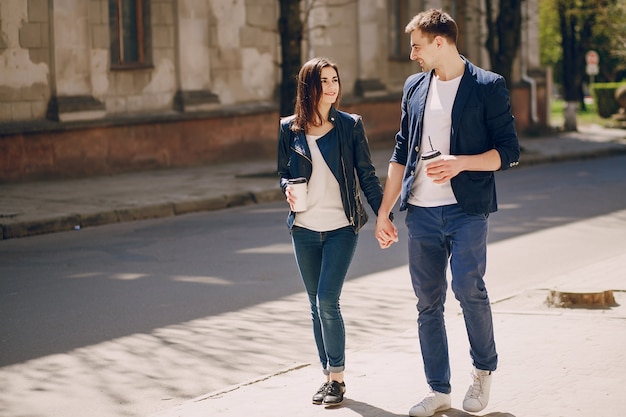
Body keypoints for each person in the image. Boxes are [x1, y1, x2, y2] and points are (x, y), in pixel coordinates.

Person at [374, 9, 520, 417]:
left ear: (441, 42)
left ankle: (483, 371)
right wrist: (384, 212)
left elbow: (508, 153)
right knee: (427, 303)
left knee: (469, 290)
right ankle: (439, 390)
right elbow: (402, 150)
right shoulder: (414, 87)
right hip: (420, 211)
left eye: (417, 46)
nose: (412, 55)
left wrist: (460, 163)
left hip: (466, 209)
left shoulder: (488, 86)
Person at [277, 57, 387, 406]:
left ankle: (337, 379)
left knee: (327, 299)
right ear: (308, 86)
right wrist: (286, 189)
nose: (331, 86)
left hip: (342, 227)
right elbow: (282, 171)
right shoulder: (289, 128)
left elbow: (366, 175)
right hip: (304, 229)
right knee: (314, 304)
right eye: (323, 80)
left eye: (335, 79)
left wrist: (384, 214)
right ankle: (327, 377)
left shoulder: (349, 126)